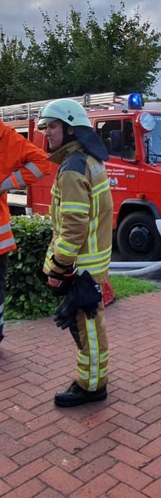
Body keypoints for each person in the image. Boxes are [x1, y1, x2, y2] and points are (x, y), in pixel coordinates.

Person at [37, 99, 114, 407]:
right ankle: (93, 378)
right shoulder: (88, 160)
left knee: (88, 328)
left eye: (52, 127)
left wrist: (57, 268)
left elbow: (72, 229)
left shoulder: (71, 169)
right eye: (46, 127)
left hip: (81, 267)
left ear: (71, 129)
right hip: (92, 264)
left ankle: (92, 387)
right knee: (89, 325)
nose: (47, 134)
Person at [0, 120, 53, 345]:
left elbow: (42, 163)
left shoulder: (5, 136)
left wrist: (5, 185)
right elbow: (41, 163)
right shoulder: (5, 136)